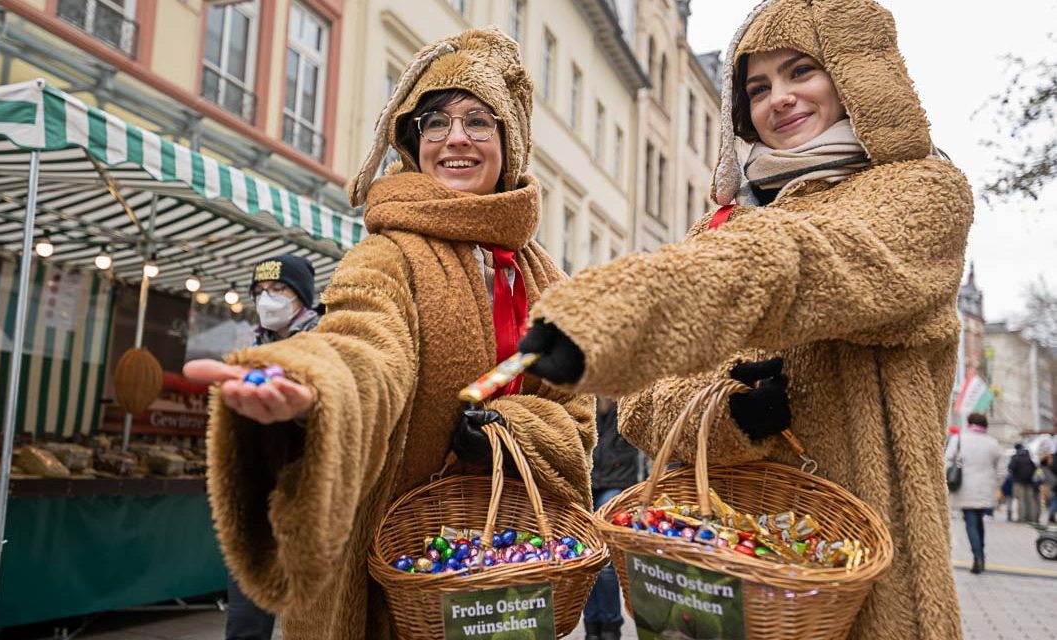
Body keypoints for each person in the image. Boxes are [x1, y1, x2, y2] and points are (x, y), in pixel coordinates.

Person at [517, 1, 973, 638]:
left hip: (867, 578)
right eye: (758, 88)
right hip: (727, 569)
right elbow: (644, 406)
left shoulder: (921, 191)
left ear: (851, 74)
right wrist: (730, 416)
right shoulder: (721, 226)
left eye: (801, 71)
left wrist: (630, 308)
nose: (779, 99)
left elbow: (812, 260)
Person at [184, 28, 595, 639]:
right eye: (436, 122)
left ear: (509, 141)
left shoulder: (545, 278)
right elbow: (363, 338)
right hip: (388, 586)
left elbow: (577, 420)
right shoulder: (387, 254)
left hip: (511, 571)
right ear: (414, 141)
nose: (456, 137)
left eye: (478, 121)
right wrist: (314, 384)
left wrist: (511, 433)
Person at [222, 254, 321, 640]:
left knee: (316, 616)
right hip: (257, 489)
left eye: (278, 289)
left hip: (313, 494)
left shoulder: (326, 340)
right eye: (260, 290)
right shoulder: (251, 348)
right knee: (246, 614)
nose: (267, 299)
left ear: (301, 296)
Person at [583, 398, 635, 640]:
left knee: (604, 560)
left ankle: (611, 625)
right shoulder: (583, 401)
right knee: (585, 558)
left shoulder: (627, 402)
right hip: (585, 485)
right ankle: (592, 625)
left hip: (616, 483)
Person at [945, 413, 1003, 574]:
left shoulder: (959, 439)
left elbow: (947, 460)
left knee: (971, 523)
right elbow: (1002, 469)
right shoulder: (993, 443)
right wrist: (996, 483)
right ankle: (981, 555)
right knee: (979, 521)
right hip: (986, 488)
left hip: (965, 487)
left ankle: (977, 558)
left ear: (969, 423)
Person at [1008, 443, 1039, 523]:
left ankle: (1021, 518)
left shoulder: (1015, 457)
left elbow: (1010, 467)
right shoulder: (1029, 457)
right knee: (1031, 500)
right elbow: (1035, 468)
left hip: (1018, 481)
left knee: (1020, 500)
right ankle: (1032, 518)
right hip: (1030, 482)